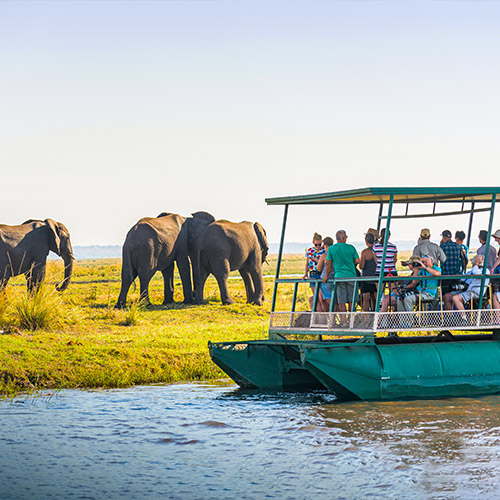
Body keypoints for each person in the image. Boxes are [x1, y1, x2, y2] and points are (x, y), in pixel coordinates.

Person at [323, 230, 360, 313]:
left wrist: (326, 276)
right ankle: (351, 321)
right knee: (352, 300)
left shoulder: (331, 248)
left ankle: (344, 322)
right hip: (351, 275)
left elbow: (328, 264)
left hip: (339, 276)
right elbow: (357, 260)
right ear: (343, 238)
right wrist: (351, 265)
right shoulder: (351, 247)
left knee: (341, 301)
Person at [440, 229, 464, 294]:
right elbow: (463, 260)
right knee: (455, 294)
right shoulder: (457, 246)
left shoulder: (442, 247)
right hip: (456, 274)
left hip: (445, 275)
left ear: (443, 237)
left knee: (446, 296)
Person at [315, 237, 335, 312]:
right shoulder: (335, 255)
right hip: (334, 278)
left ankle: (329, 320)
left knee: (327, 301)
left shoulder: (324, 256)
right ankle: (339, 320)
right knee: (335, 302)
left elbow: (319, 268)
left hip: (325, 280)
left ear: (325, 246)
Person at [359, 232, 377, 311]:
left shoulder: (365, 252)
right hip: (376, 277)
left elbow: (361, 266)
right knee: (376, 300)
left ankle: (366, 318)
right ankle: (376, 317)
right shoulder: (377, 251)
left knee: (365, 300)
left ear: (366, 241)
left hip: (366, 278)